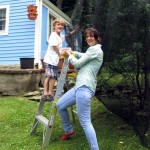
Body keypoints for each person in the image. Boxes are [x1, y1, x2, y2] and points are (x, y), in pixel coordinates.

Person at [56, 28, 103, 150]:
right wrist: (73, 52)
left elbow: (77, 64)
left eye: (91, 36)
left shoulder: (95, 49)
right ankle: (69, 130)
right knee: (60, 105)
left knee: (85, 122)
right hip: (79, 87)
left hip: (85, 89)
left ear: (97, 38)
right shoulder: (92, 51)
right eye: (87, 36)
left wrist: (67, 55)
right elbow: (83, 56)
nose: (88, 38)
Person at [42, 18, 79, 101]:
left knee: (53, 77)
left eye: (62, 25)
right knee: (49, 76)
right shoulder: (53, 35)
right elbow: (55, 47)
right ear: (54, 26)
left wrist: (74, 31)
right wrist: (64, 51)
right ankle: (45, 93)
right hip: (49, 60)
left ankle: (51, 93)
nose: (60, 26)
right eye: (58, 25)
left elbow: (67, 36)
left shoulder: (60, 36)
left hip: (54, 61)